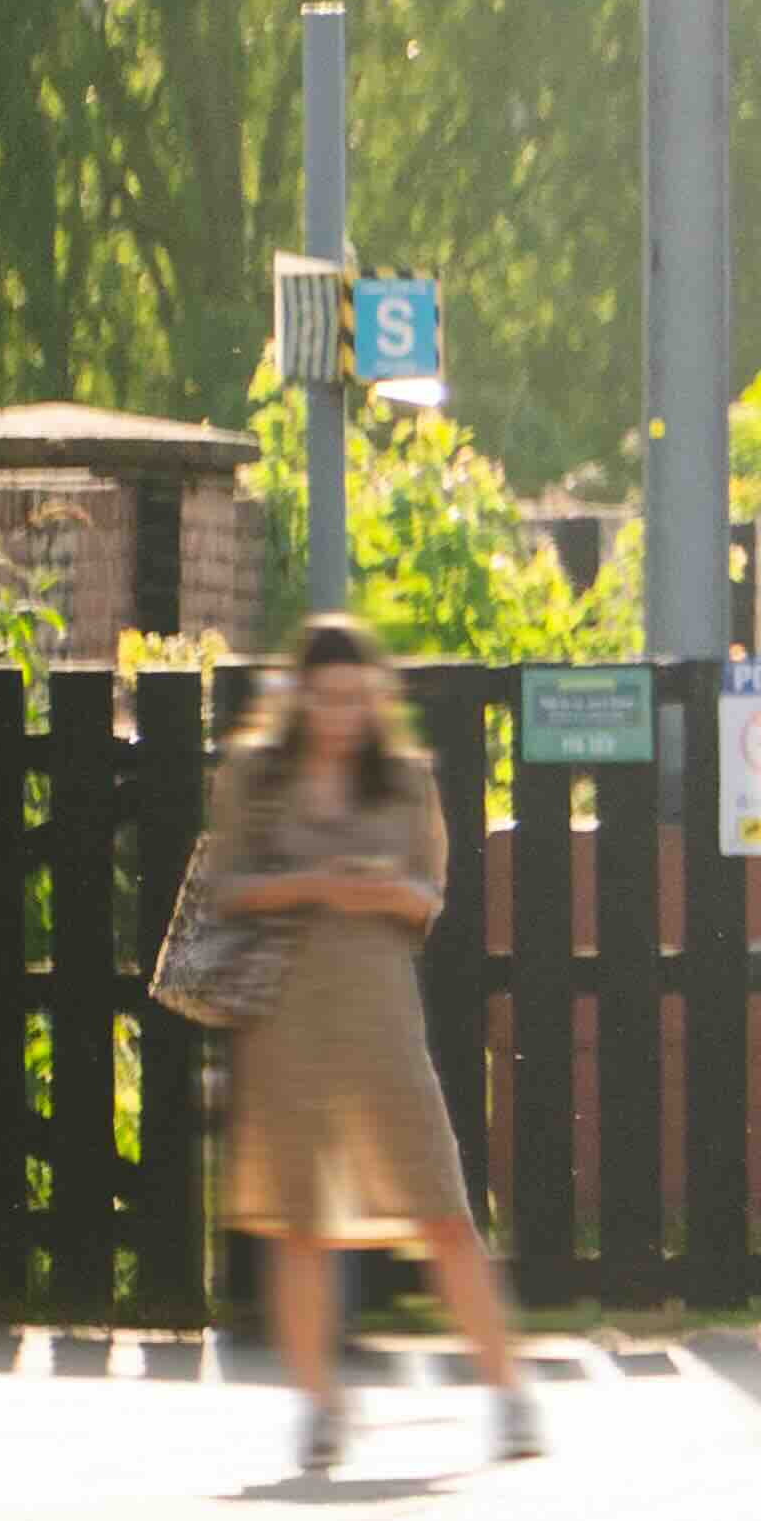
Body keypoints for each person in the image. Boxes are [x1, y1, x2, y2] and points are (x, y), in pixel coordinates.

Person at [210, 614, 536, 1476]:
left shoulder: (402, 779)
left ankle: (508, 1392)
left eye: (356, 697)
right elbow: (225, 887)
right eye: (326, 696)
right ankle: (320, 1407)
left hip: (381, 1020)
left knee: (441, 1207)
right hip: (284, 1024)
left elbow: (429, 896)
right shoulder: (256, 775)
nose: (341, 713)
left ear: (375, 699)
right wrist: (309, 883)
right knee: (300, 1223)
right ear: (299, 696)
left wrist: (381, 890)